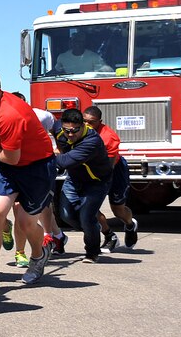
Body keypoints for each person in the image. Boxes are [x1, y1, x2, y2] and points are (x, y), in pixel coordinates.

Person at [0, 70, 55, 291]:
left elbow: (11, 157)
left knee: (25, 222)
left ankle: (39, 255)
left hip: (35, 167)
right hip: (5, 165)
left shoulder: (9, 115)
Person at [11, 92, 68, 265]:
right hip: (14, 166)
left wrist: (59, 149)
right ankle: (21, 251)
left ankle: (51, 236)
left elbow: (57, 129)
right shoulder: (5, 117)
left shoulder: (42, 116)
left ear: (26, 104)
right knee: (18, 209)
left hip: (39, 166)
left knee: (43, 205)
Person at [54, 108, 113, 263]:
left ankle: (92, 252)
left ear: (83, 126)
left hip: (96, 182)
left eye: (75, 130)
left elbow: (64, 161)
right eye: (67, 131)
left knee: (86, 216)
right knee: (66, 215)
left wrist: (47, 153)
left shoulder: (92, 141)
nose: (70, 134)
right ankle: (93, 230)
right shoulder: (60, 132)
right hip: (74, 180)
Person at [82, 106, 138, 250]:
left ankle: (130, 225)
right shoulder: (78, 131)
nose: (87, 125)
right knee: (90, 207)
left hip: (112, 170)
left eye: (92, 122)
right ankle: (109, 235)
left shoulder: (108, 137)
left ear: (100, 122)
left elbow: (109, 166)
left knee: (117, 210)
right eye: (84, 121)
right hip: (89, 170)